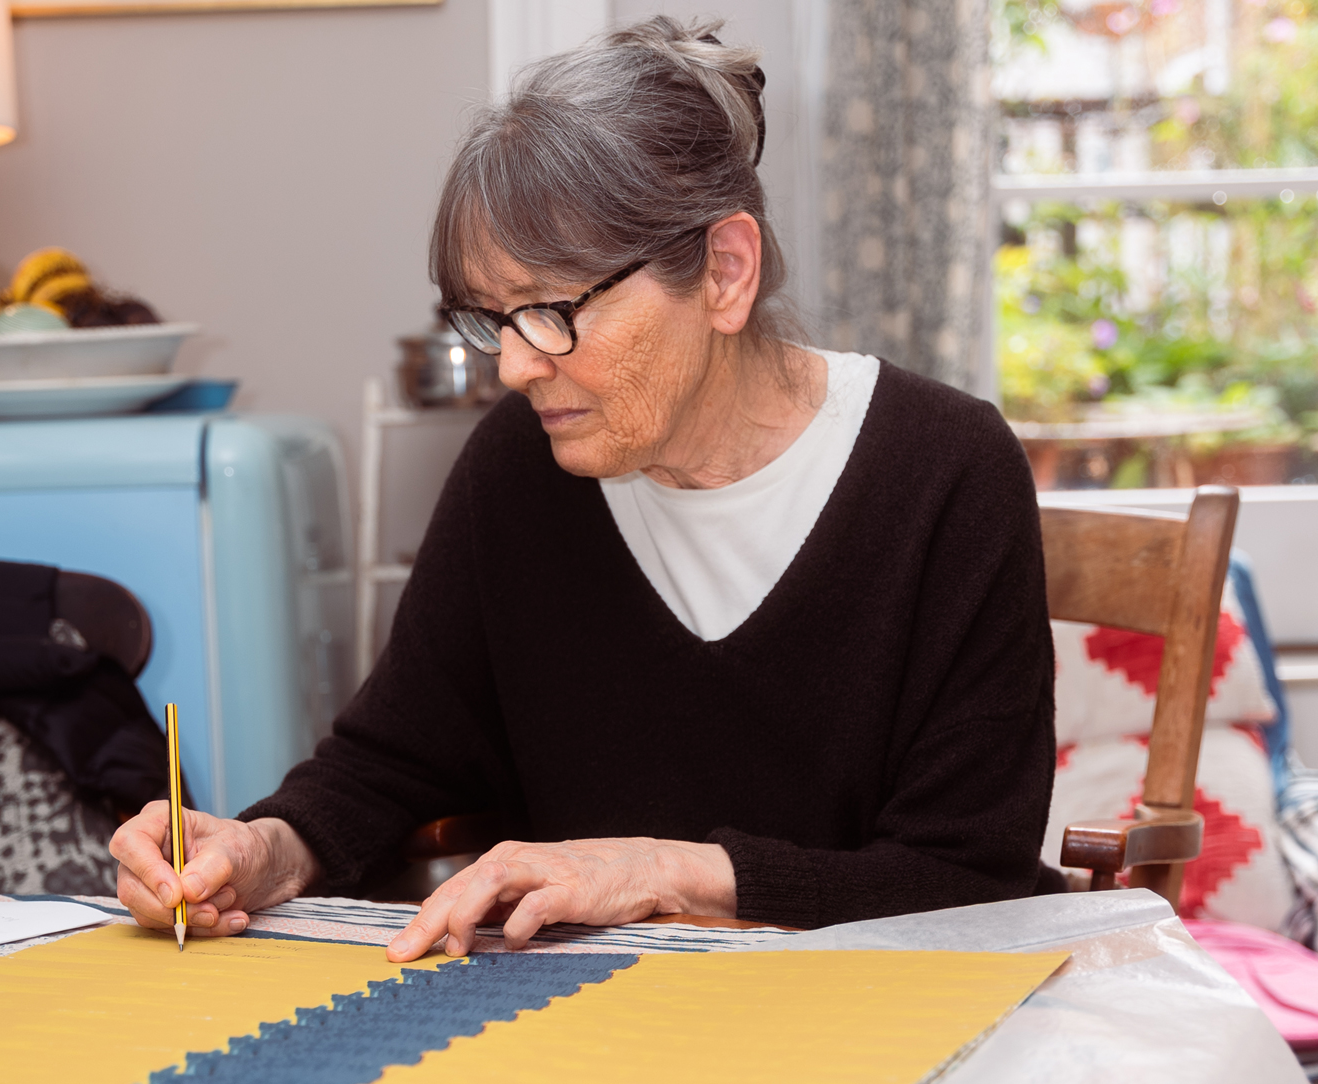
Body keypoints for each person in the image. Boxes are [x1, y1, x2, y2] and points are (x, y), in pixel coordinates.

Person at [110, 16, 1057, 961]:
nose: (515, 367)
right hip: (590, 1040)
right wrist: (261, 849)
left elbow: (968, 878)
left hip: (878, 1033)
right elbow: (390, 763)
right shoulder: (514, 473)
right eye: (490, 320)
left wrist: (662, 874)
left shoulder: (946, 468)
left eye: (552, 311)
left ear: (725, 273)